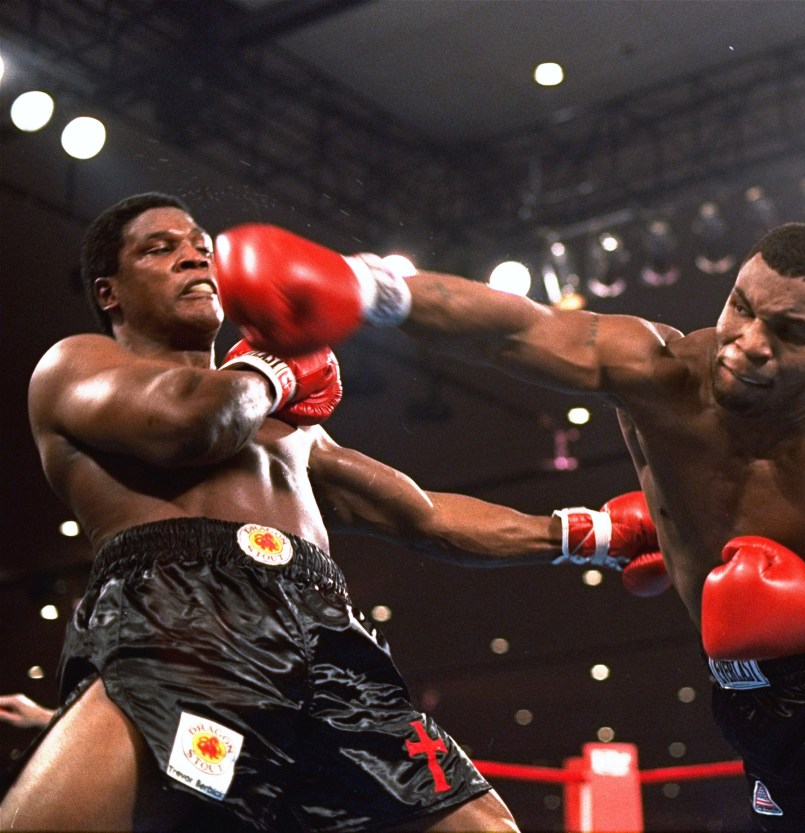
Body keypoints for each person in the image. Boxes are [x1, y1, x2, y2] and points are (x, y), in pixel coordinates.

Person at [214, 220, 805, 831]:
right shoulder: (663, 375)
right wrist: (371, 288)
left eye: (790, 332)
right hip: (746, 695)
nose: (748, 341)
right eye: (742, 305)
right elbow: (519, 331)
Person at [2, 193, 659, 833]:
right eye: (160, 248)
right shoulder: (79, 365)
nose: (194, 258)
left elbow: (421, 516)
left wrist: (593, 534)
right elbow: (189, 425)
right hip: (182, 626)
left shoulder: (276, 411)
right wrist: (277, 362)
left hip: (329, 644)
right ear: (109, 291)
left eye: (202, 246)